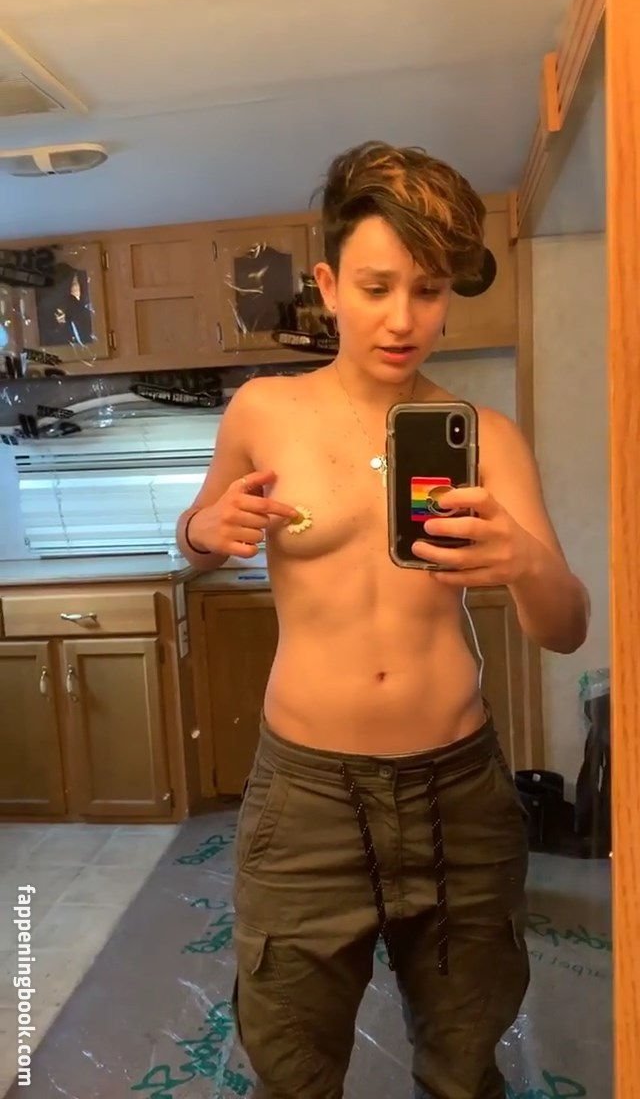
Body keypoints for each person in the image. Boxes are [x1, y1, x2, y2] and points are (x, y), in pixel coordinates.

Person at [176, 141, 589, 1099]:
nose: (404, 319)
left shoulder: (488, 438)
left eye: (429, 291)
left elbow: (565, 627)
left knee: (463, 1061)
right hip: (307, 794)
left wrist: (523, 562)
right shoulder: (263, 410)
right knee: (293, 1063)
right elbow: (195, 538)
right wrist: (205, 528)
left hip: (458, 788)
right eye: (376, 287)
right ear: (329, 287)